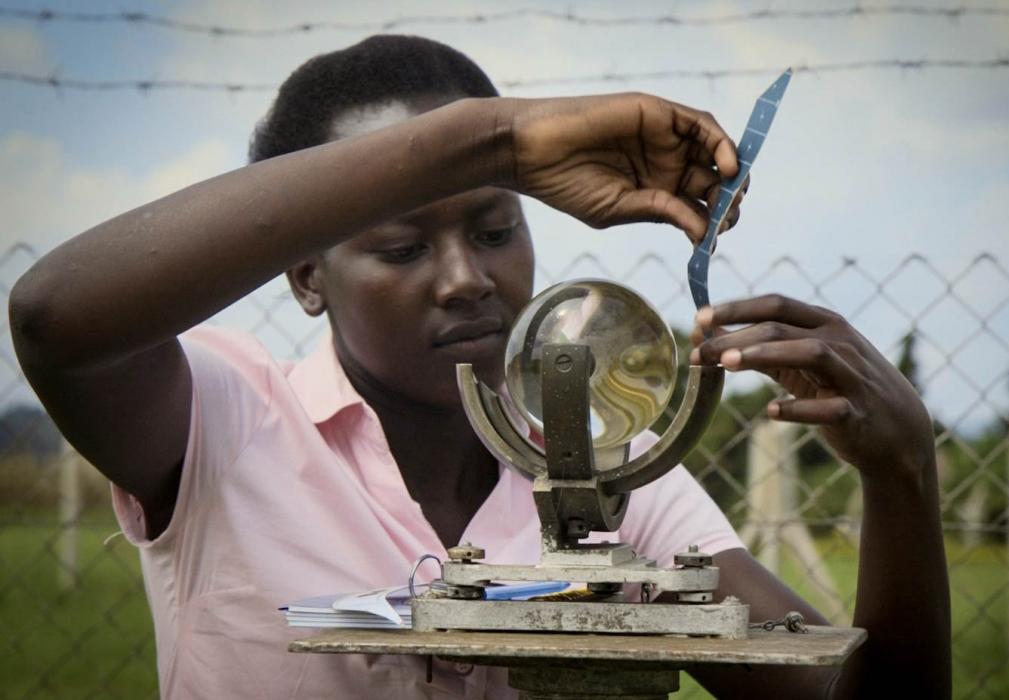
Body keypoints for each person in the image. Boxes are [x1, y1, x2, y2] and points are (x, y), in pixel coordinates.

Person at [10, 35, 950, 699]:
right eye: (401, 247)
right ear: (306, 275)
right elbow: (57, 318)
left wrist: (903, 478)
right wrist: (490, 140)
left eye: (496, 228)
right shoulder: (225, 423)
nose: (467, 280)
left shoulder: (620, 487)